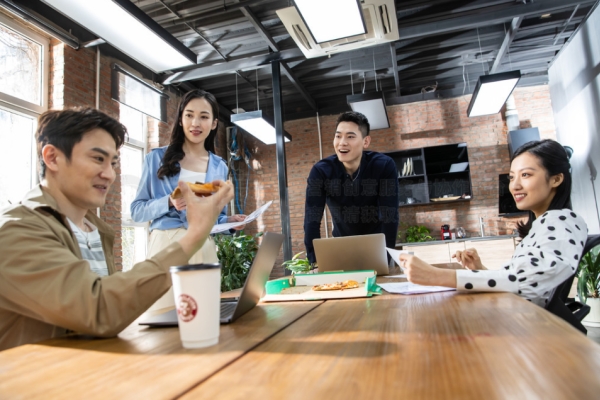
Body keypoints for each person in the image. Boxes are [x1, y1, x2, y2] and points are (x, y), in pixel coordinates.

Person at [0, 108, 234, 351]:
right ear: (52, 158)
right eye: (98, 159)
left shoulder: (95, 230)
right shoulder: (17, 230)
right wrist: (195, 233)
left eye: (113, 162)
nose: (110, 174)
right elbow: (100, 311)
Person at [399, 139, 587, 307]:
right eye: (512, 177)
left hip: (527, 329)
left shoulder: (564, 221)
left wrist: (436, 276)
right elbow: (518, 282)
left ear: (556, 179)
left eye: (526, 175)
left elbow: (525, 285)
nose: (514, 185)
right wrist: (479, 270)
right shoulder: (543, 224)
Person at [130, 90, 245, 312]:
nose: (195, 122)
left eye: (203, 116)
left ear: (213, 124)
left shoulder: (219, 165)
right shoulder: (156, 158)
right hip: (166, 245)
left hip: (204, 245)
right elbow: (137, 211)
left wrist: (227, 221)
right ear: (181, 119)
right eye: (189, 115)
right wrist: (168, 202)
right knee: (162, 317)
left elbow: (209, 215)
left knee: (205, 316)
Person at [304, 111, 399, 264]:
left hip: (376, 245)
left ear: (365, 142)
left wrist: (386, 257)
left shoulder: (384, 165)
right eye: (338, 136)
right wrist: (314, 260)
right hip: (342, 247)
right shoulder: (321, 171)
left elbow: (390, 215)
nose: (342, 142)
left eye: (350, 136)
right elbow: (312, 218)